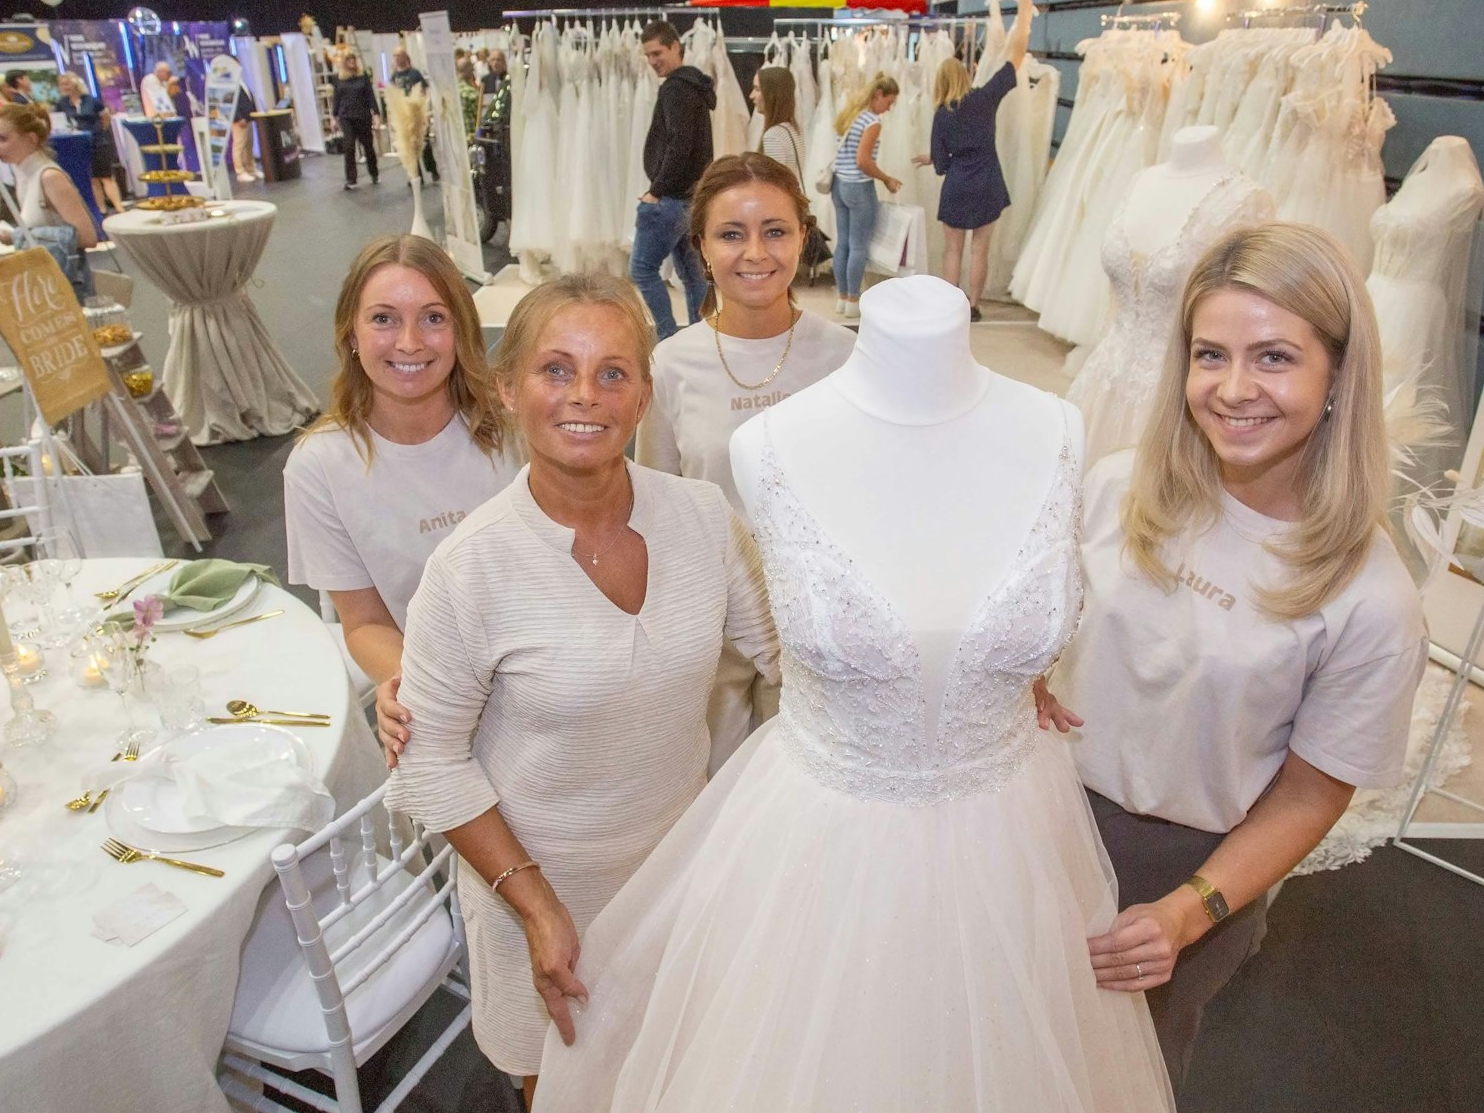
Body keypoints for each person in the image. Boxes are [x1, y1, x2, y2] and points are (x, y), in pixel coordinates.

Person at [533, 274, 1172, 1112]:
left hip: (1011, 827)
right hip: (822, 846)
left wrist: (1017, 669)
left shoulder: (1056, 427)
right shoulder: (772, 444)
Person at [382, 272, 780, 1107]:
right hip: (539, 892)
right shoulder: (470, 568)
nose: (584, 396)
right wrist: (536, 906)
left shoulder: (704, 517)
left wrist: (964, 669)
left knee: (675, 1069)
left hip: (676, 877)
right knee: (560, 1087)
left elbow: (792, 653)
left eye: (612, 372)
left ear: (643, 395)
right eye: (556, 369)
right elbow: (430, 764)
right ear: (508, 386)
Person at [1043, 222, 1426, 1088]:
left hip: (1179, 869)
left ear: (1338, 376)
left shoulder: (1372, 598)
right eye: (1210, 354)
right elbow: (1053, 628)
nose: (1234, 387)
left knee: (1118, 1074)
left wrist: (1189, 911)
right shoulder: (1114, 486)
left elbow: (1311, 792)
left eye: (1275, 357)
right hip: (1034, 814)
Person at [637, 152, 853, 770]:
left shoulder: (846, 358)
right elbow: (657, 505)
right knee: (717, 795)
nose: (755, 252)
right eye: (732, 234)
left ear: (803, 238)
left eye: (775, 231)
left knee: (809, 794)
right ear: (701, 247)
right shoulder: (672, 365)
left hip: (821, 625)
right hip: (713, 628)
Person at [285, 234, 517, 692]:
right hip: (434, 683)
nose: (409, 343)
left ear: (461, 330)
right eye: (384, 319)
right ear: (352, 333)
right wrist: (422, 692)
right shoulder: (318, 468)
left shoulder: (515, 424)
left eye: (433, 318)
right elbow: (365, 623)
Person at [916, 0, 1035, 321]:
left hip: (956, 186)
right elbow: (1016, 57)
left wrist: (936, 158)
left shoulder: (941, 115)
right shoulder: (985, 98)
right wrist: (1024, 15)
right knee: (980, 250)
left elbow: (941, 165)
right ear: (965, 76)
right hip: (988, 184)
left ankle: (949, 306)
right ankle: (973, 306)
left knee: (953, 250)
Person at [632, 20, 716, 339]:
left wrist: (656, 190)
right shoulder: (693, 87)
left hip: (671, 198)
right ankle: (700, 338)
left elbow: (679, 144)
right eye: (648, 55)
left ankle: (669, 338)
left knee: (642, 268)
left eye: (657, 53)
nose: (653, 61)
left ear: (675, 47)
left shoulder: (676, 89)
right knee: (692, 275)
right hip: (690, 197)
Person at [0, 101, 100, 298]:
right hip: (45, 283)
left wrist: (18, 236)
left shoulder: (49, 177)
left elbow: (87, 237)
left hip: (67, 286)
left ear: (30, 138)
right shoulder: (24, 174)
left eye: (2, 138)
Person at [829, 74, 902, 318]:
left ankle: (841, 298)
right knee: (859, 246)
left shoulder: (850, 116)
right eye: (889, 102)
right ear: (878, 95)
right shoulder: (872, 121)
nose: (888, 108)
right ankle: (853, 299)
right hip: (859, 187)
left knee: (843, 243)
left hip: (838, 184)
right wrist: (886, 178)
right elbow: (863, 161)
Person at [53, 73, 124, 213]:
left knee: (106, 176)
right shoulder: (61, 104)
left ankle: (118, 206)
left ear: (75, 84)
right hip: (79, 144)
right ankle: (101, 209)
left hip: (98, 142)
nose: (65, 87)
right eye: (62, 84)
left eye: (67, 83)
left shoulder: (91, 100)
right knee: (93, 179)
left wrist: (98, 130)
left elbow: (105, 117)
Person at [749, 65, 804, 188]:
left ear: (771, 94)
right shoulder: (790, 129)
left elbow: (773, 184)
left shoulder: (774, 135)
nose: (751, 96)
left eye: (757, 90)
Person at [386, 48, 434, 188]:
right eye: (394, 55)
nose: (396, 58)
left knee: (423, 145)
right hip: (404, 115)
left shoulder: (415, 73)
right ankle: (415, 175)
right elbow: (392, 96)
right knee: (409, 146)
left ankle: (432, 168)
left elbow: (423, 91)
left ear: (405, 57)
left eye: (398, 55)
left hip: (417, 113)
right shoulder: (394, 76)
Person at [332, 53, 381, 190]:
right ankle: (351, 179)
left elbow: (370, 96)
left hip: (363, 116)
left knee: (368, 147)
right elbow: (336, 98)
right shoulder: (338, 78)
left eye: (354, 59)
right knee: (349, 147)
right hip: (346, 117)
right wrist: (334, 117)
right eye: (349, 59)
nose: (352, 62)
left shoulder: (363, 76)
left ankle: (374, 173)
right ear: (344, 62)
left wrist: (376, 114)